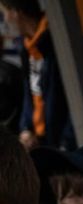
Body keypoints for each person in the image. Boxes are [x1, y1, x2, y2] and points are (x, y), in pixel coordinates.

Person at [0, 0, 74, 150]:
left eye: (4, 14)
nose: (5, 20)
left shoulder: (56, 42)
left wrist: (67, 141)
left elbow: (72, 96)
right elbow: (31, 93)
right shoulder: (27, 47)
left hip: (64, 142)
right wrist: (26, 128)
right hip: (40, 139)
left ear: (16, 13)